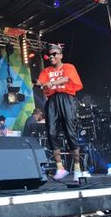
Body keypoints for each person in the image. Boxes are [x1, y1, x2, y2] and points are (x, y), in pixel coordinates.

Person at [33, 43, 83, 182]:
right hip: (52, 101)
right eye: (50, 55)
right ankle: (60, 167)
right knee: (51, 132)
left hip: (66, 99)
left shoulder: (68, 67)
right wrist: (37, 83)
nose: (51, 56)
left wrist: (52, 83)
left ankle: (78, 169)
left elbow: (67, 79)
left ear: (60, 55)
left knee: (70, 132)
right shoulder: (46, 71)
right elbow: (41, 82)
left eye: (54, 54)